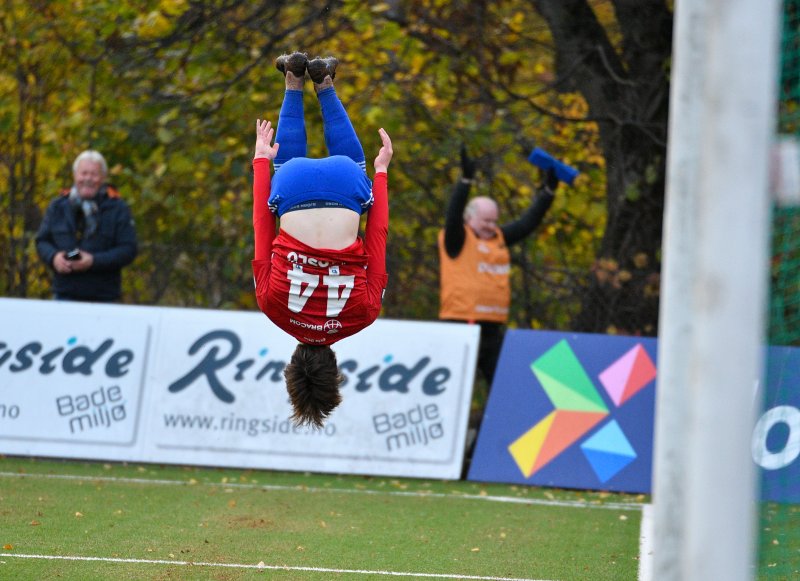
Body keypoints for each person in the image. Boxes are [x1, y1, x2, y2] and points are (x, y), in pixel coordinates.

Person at [252, 52, 393, 429]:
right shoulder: (270, 307)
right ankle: (294, 80)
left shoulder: (364, 315)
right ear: (292, 362)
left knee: (352, 167)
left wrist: (380, 174)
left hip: (345, 184)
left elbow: (377, 236)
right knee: (287, 175)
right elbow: (261, 228)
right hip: (291, 184)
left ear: (334, 365)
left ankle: (325, 83)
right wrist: (261, 162)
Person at [438, 145, 559, 389]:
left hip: (492, 328)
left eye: (495, 221)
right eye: (486, 221)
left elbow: (527, 223)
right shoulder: (457, 240)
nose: (491, 226)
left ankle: (489, 428)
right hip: (462, 325)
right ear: (470, 218)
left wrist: (548, 192)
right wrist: (465, 181)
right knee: (455, 388)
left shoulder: (498, 239)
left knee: (503, 389)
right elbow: (452, 216)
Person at [35, 150, 138, 302]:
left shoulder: (117, 208)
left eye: (94, 174)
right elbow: (42, 241)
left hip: (104, 298)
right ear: (75, 175)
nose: (88, 179)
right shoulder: (58, 206)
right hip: (64, 295)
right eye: (84, 173)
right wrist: (55, 257)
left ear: (103, 178)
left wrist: (93, 261)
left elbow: (128, 249)